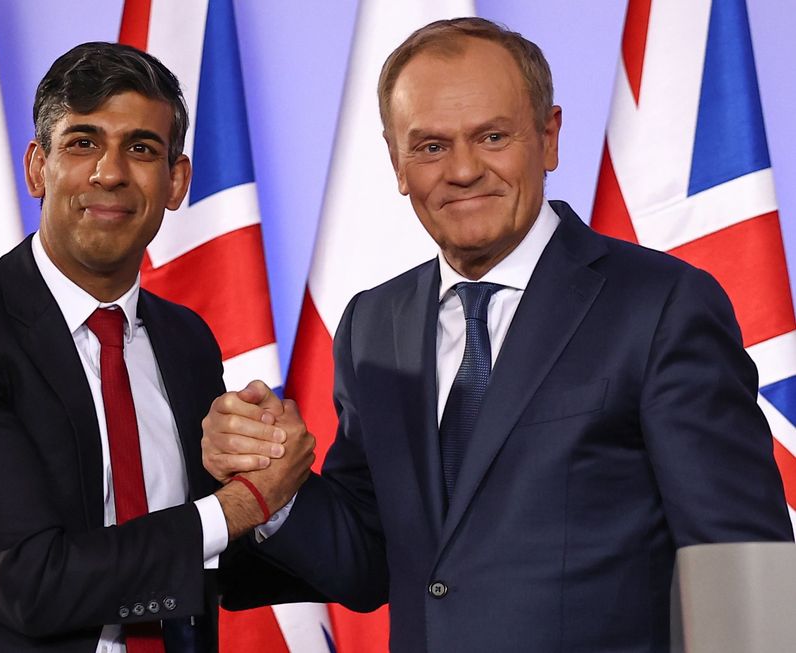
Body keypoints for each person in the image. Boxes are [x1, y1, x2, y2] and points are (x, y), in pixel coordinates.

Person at [202, 18, 794, 652]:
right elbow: (373, 557)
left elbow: (735, 555)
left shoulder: (661, 306)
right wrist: (273, 481)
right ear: (397, 161)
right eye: (429, 146)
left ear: (548, 137)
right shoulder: (374, 324)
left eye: (491, 136)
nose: (462, 170)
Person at [0, 42, 312, 653]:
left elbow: (201, 562)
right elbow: (32, 585)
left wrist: (270, 477)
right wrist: (242, 504)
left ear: (176, 181)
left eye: (141, 148)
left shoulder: (187, 340)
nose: (109, 172)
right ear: (37, 167)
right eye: (82, 143)